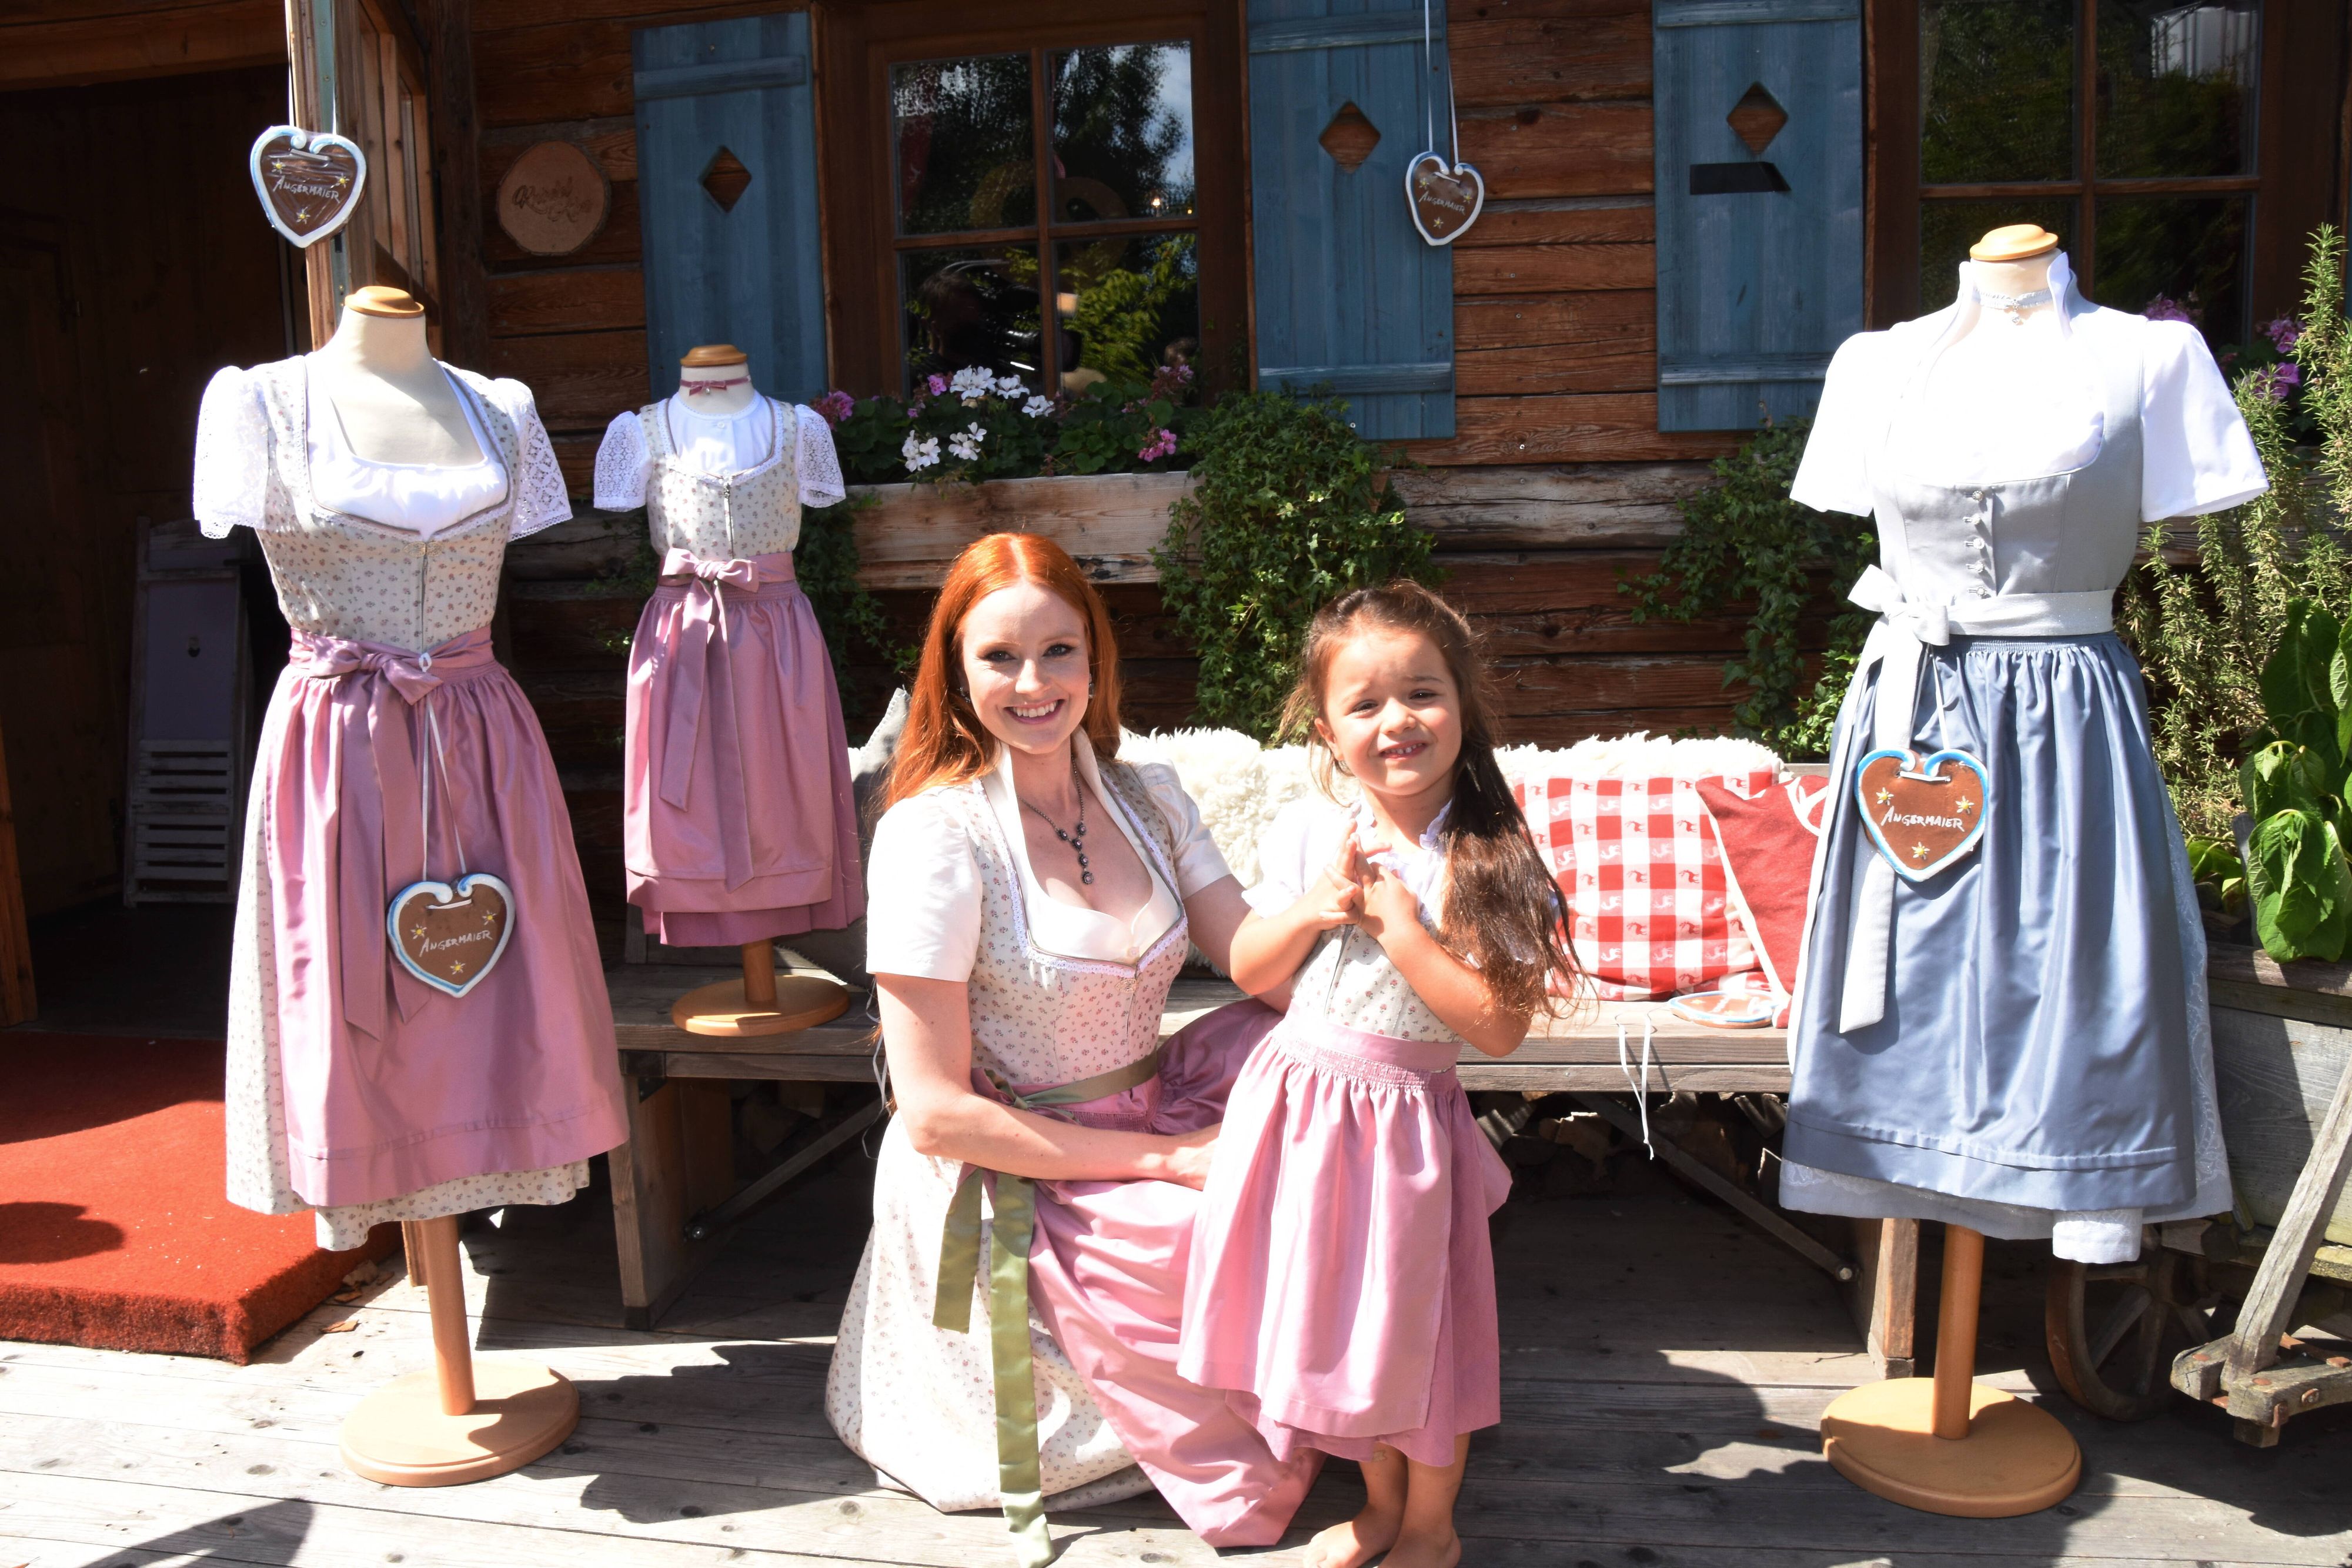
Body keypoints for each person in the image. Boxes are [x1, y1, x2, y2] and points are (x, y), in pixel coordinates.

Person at [826, 533, 1317, 1566]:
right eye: (999, 657)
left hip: (1151, 1098)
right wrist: (1172, 1160)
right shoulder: (936, 838)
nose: (1035, 682)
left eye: (1060, 650)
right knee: (1213, 1232)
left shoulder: (1149, 796)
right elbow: (933, 1111)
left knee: (1332, 1147)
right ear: (955, 676)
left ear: (1096, 657)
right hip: (1017, 1157)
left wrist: (1351, 909)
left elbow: (1252, 960)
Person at [1180, 581, 1576, 1568]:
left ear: (1464, 704)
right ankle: (1382, 1508)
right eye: (1365, 704)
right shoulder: (1316, 834)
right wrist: (1318, 906)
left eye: (1422, 694)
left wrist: (1402, 929)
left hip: (1400, 1137)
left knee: (1414, 1344)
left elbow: (1499, 1029)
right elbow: (1250, 968)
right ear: (1328, 729)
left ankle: (1432, 1531)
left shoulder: (1487, 857)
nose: (1396, 721)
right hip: (1300, 1121)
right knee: (1347, 1340)